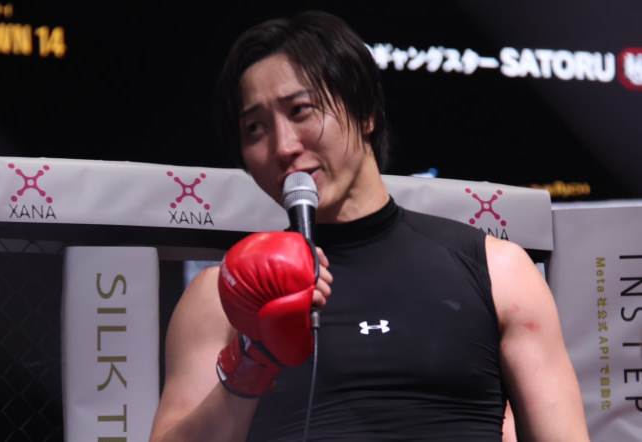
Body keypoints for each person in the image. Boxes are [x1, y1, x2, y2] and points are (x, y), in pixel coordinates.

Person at [149, 10, 590, 442]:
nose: (283, 146)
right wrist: (253, 356)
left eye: (300, 110)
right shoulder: (219, 298)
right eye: (255, 128)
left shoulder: (499, 271)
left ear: (365, 112)